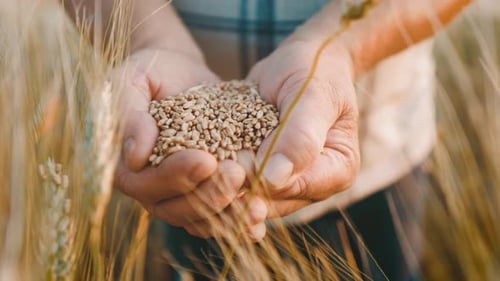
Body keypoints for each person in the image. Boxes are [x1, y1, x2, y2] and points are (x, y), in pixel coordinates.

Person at [66, 0, 472, 280]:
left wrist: (337, 47)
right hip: (187, 176)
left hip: (380, 150)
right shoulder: (188, 146)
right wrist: (149, 39)